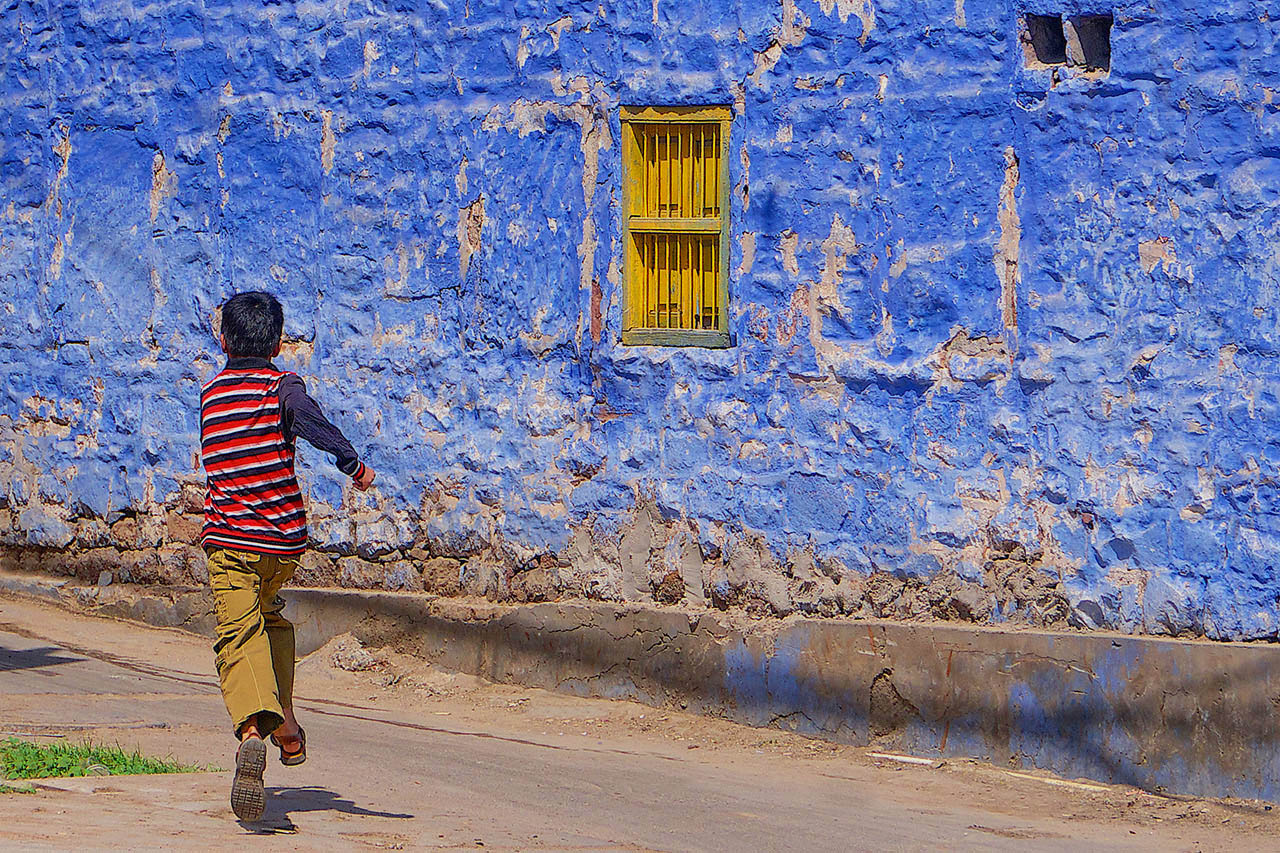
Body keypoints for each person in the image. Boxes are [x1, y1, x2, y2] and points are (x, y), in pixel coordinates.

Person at [199, 291, 375, 821]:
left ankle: (254, 730)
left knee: (239, 633)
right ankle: (290, 724)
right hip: (282, 544)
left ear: (224, 340)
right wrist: (352, 462)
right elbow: (311, 421)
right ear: (277, 343)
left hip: (231, 542)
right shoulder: (282, 387)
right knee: (271, 621)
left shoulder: (210, 394)